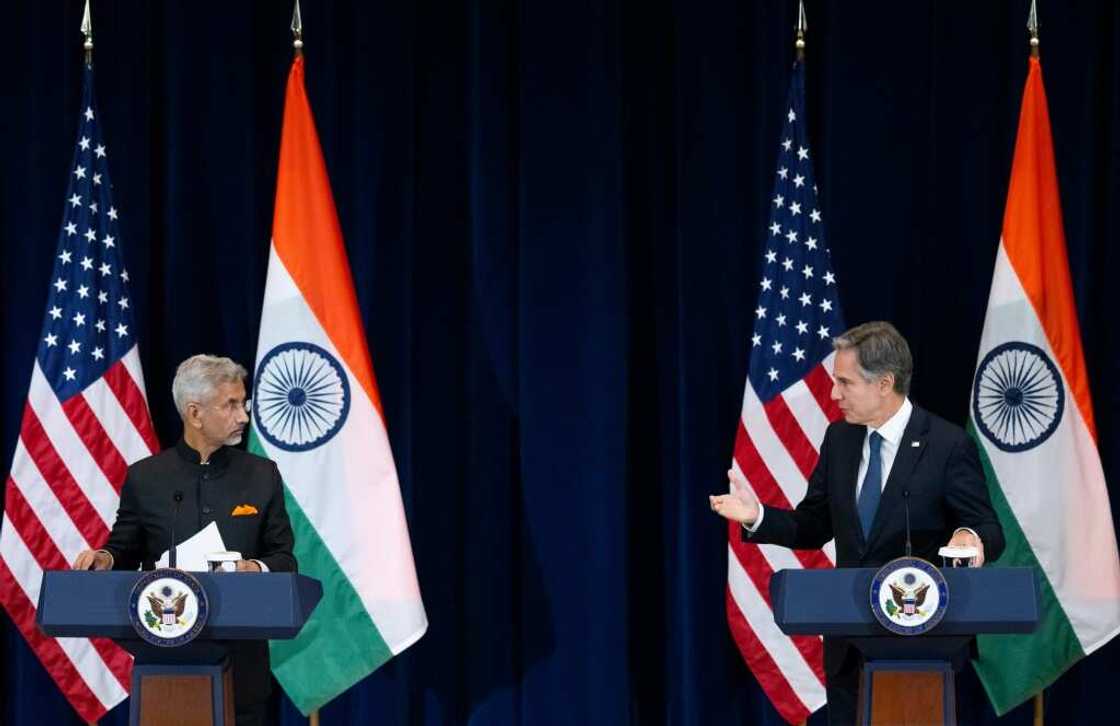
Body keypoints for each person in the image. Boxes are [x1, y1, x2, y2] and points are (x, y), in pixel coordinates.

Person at [709, 321, 1004, 725]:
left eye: (845, 383)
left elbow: (988, 528)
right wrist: (758, 516)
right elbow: (814, 525)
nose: (834, 394)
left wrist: (969, 536)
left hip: (923, 648)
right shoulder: (840, 440)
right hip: (849, 648)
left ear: (884, 383)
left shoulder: (947, 445)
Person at [74, 354, 296, 726]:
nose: (243, 416)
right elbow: (123, 548)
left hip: (243, 675)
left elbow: (284, 559)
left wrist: (253, 567)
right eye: (231, 405)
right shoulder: (146, 478)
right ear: (195, 413)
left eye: (244, 404)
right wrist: (105, 559)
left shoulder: (261, 475)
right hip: (166, 671)